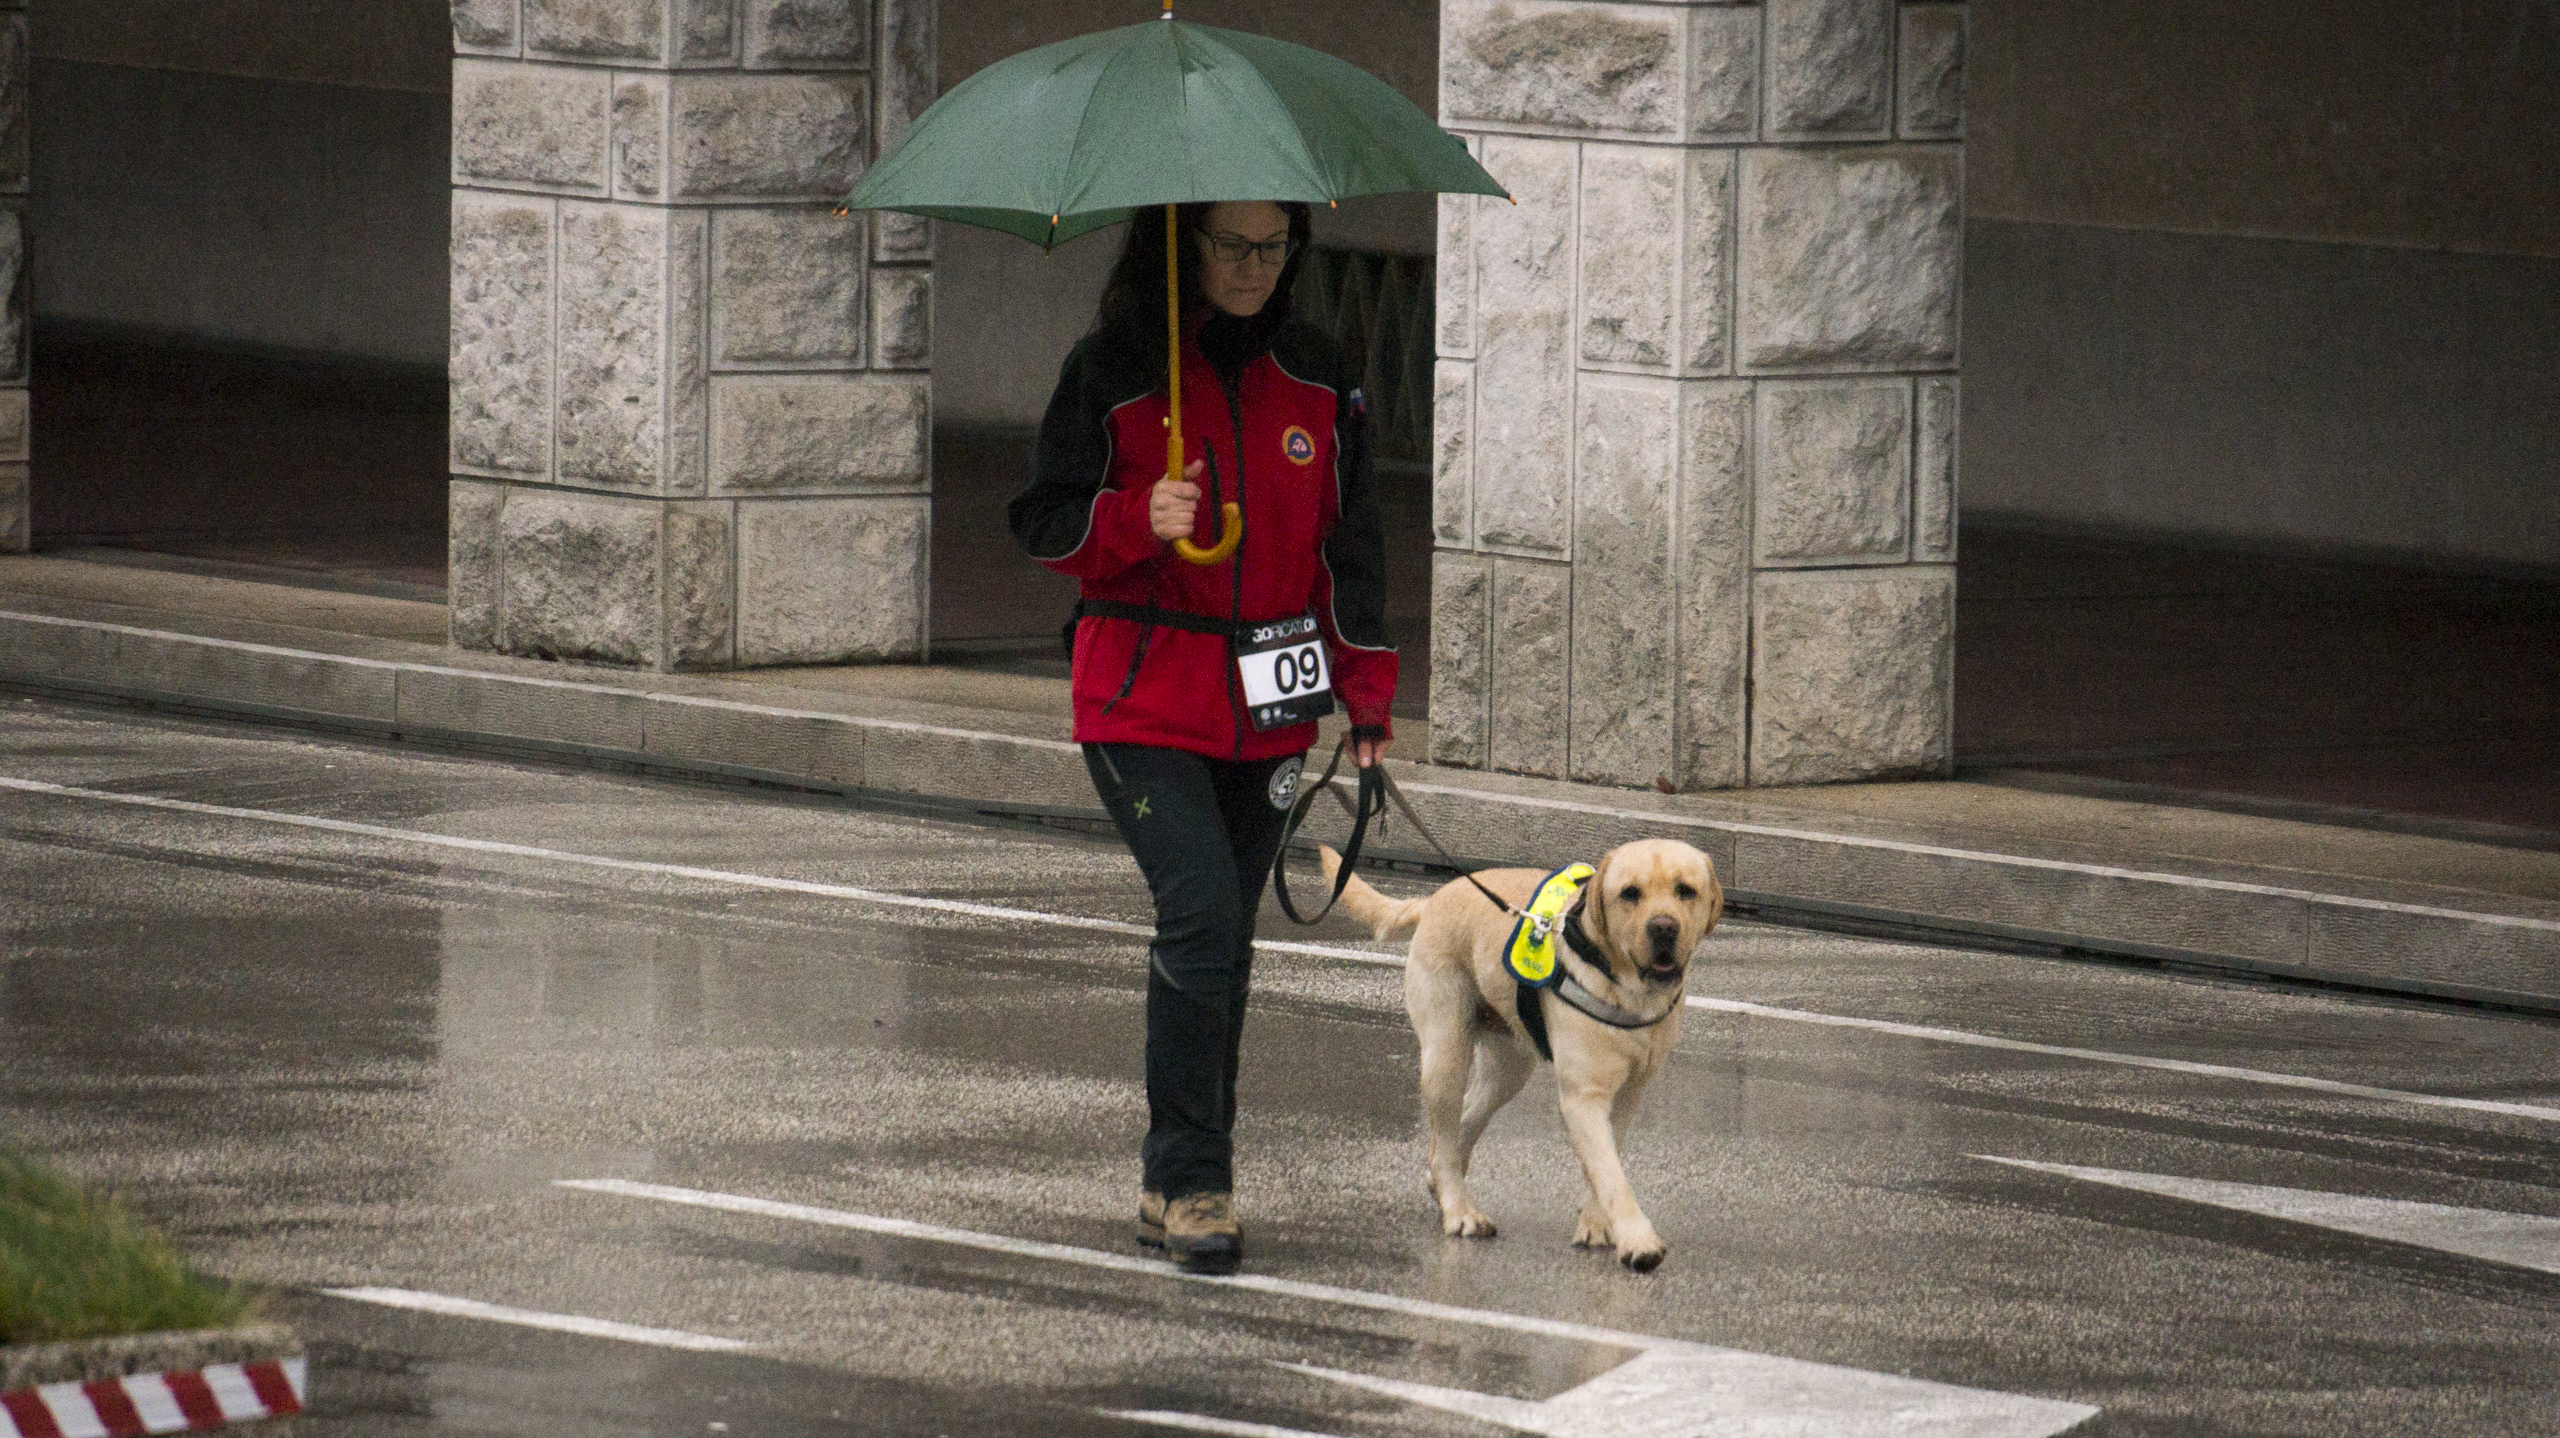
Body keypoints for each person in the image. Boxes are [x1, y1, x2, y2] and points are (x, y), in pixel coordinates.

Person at [1006, 199, 1397, 1274]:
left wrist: (1365, 697)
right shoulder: (1114, 368)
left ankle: (1176, 1176)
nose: (1254, 266)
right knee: (1201, 912)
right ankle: (1192, 1182)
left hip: (1270, 701)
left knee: (1229, 937)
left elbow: (1351, 548)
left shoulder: (1321, 377)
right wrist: (1136, 518)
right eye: (1231, 244)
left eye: (1274, 245)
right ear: (1182, 242)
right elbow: (1041, 518)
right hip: (1140, 696)